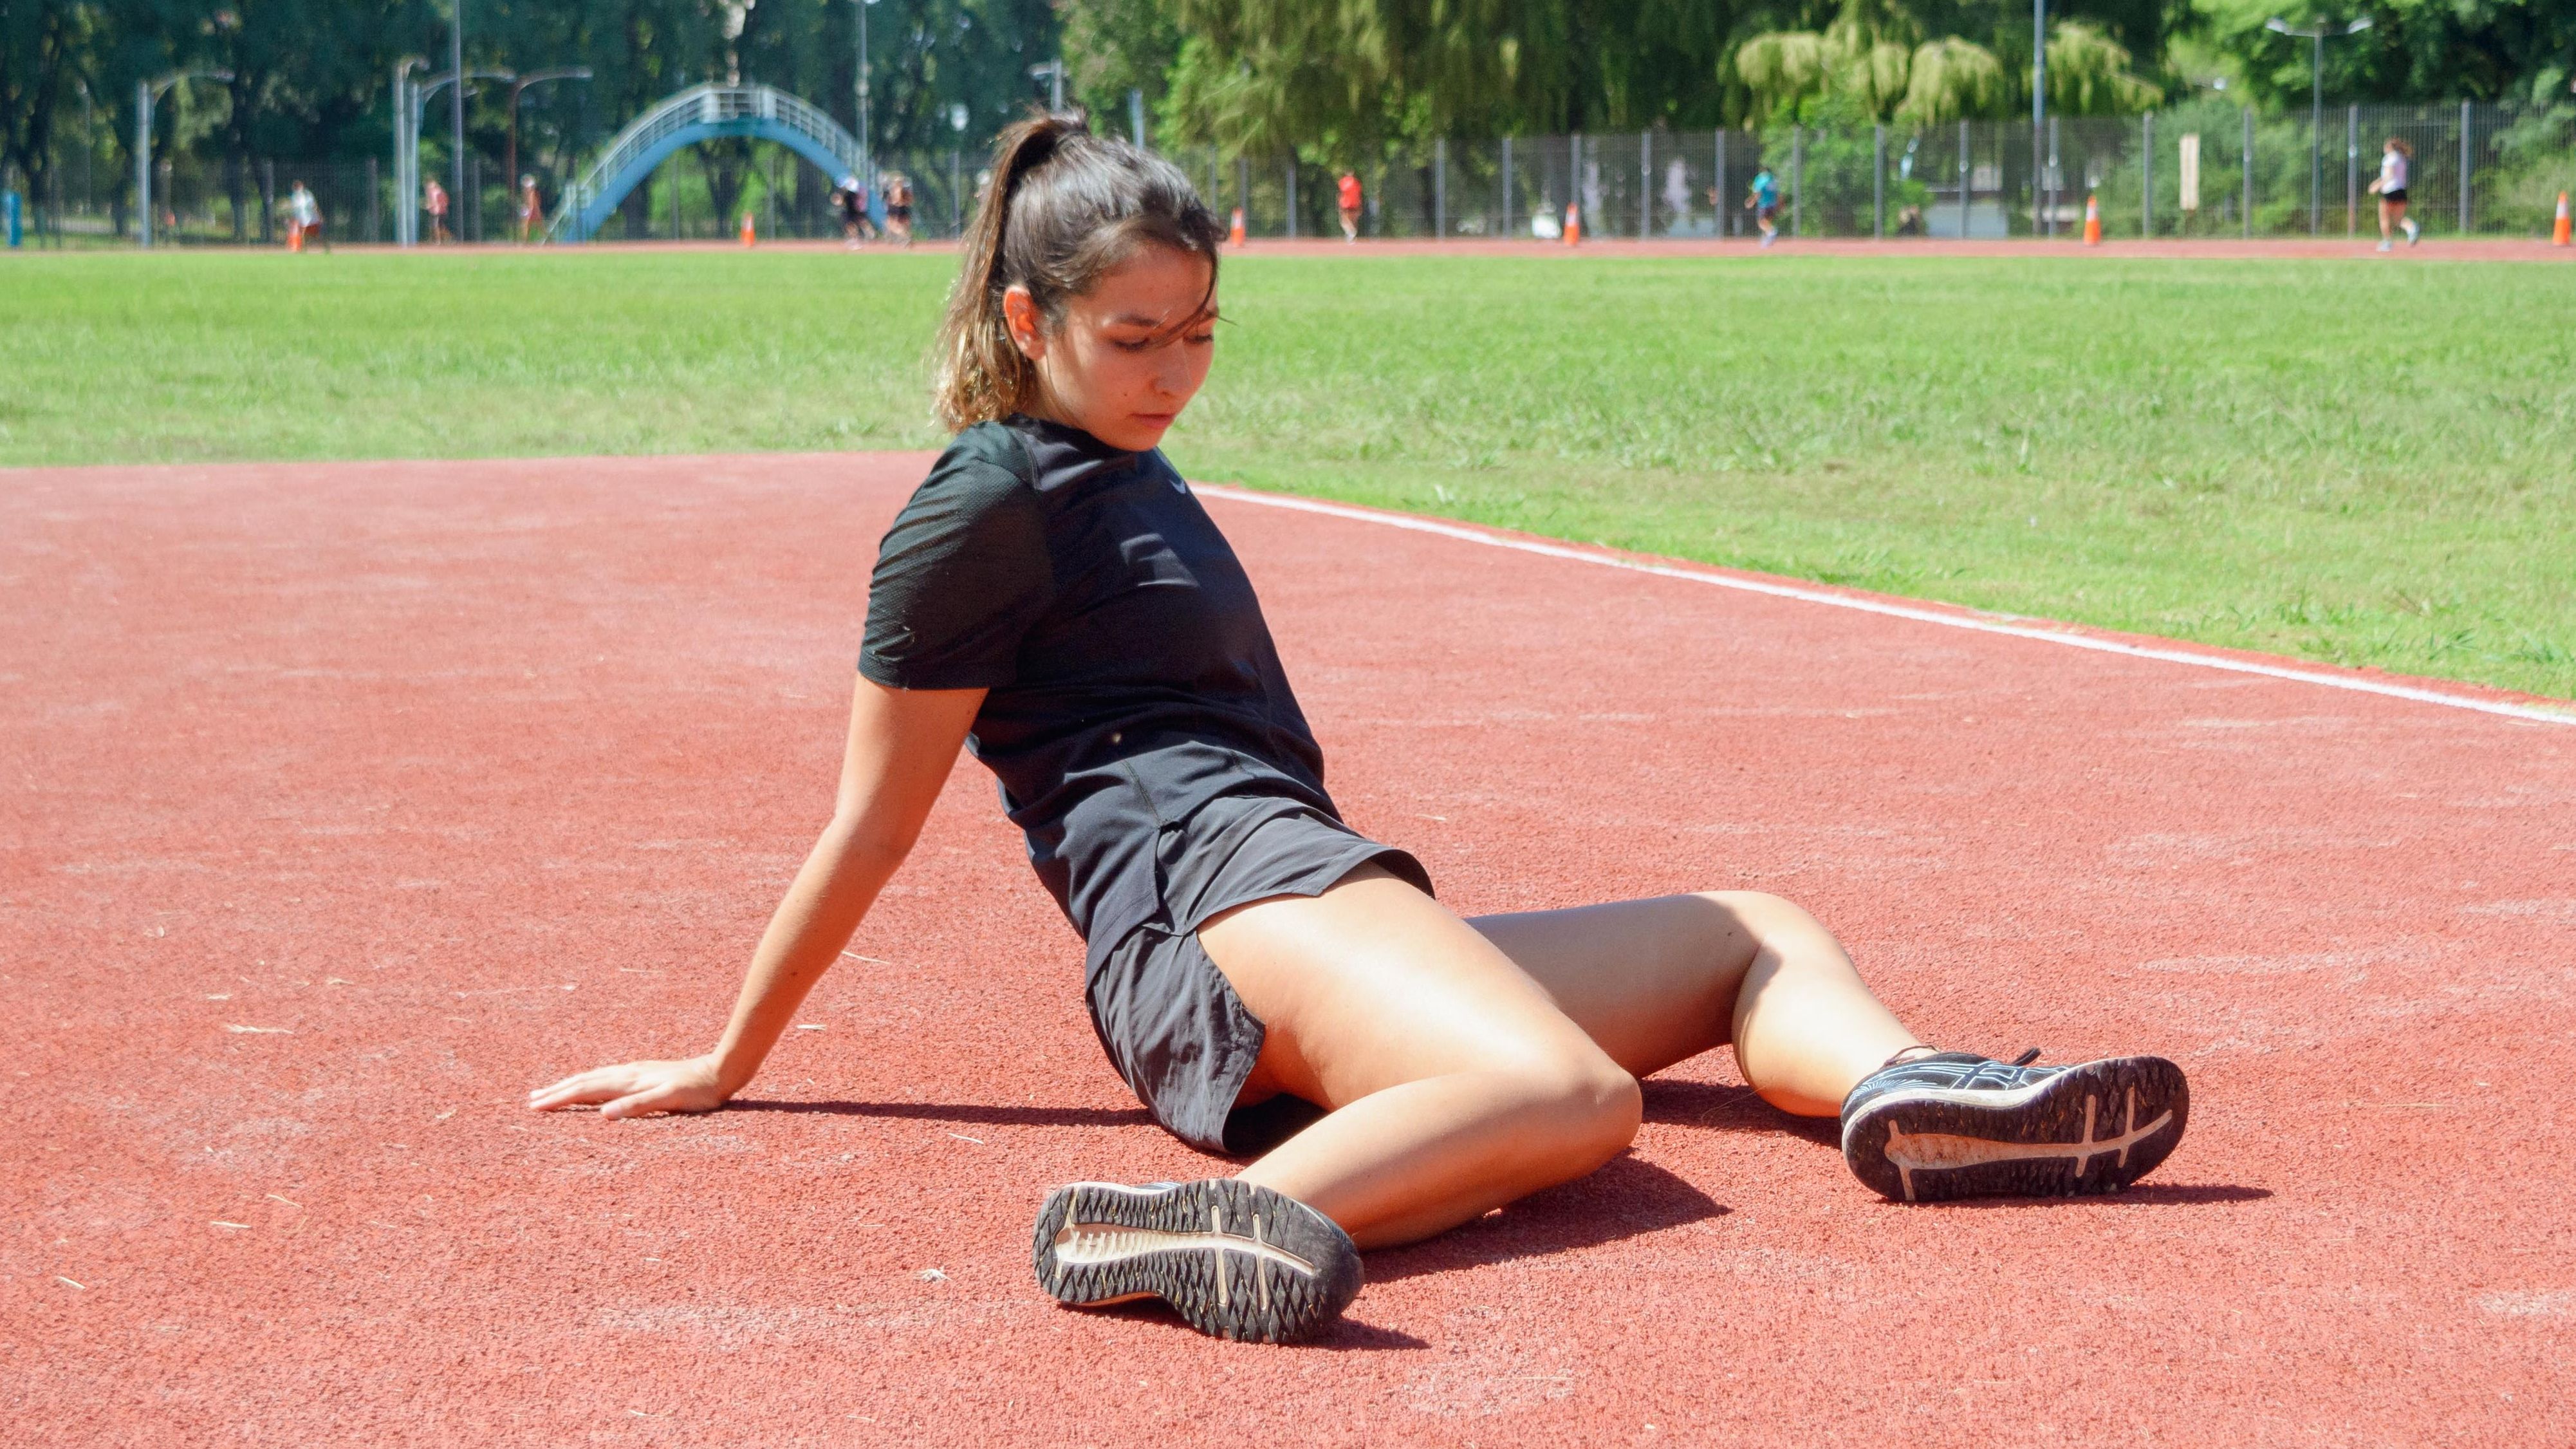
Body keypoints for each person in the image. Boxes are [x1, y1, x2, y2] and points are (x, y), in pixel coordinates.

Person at [529, 112, 2192, 1347]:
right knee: (1570, 1095)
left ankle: (1911, 1096)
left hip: (1301, 881)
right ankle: (1210, 1222)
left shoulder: (1126, 462)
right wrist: (728, 1061)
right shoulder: (980, 503)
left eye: (1199, 333)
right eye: (1132, 338)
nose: (1173, 371)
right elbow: (873, 820)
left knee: (1746, 930)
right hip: (1205, 909)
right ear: (1028, 322)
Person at [2368, 137, 2418, 252]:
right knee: (2398, 219)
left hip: (2389, 191)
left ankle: (2387, 242)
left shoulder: (2389, 158)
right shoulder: (2401, 158)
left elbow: (2388, 175)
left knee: (2384, 218)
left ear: (2390, 147)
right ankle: (2412, 227)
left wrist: (2377, 186)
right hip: (2401, 191)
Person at [833, 174, 873, 247]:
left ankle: (859, 238)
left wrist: (838, 201)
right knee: (851, 224)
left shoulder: (851, 192)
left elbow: (844, 201)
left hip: (854, 210)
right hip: (850, 210)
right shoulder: (847, 192)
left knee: (857, 223)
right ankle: (856, 239)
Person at [1747, 166, 1780, 248]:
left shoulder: (1761, 179)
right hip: (1773, 204)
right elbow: (1778, 193)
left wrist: (1752, 202)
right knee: (1767, 222)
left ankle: (1772, 231)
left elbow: (1758, 193)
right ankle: (1767, 241)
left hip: (1764, 204)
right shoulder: (1773, 179)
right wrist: (1779, 204)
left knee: (1761, 223)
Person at [284, 180, 319, 252]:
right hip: (301, 217)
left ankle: (304, 248)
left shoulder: (305, 195)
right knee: (302, 233)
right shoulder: (296, 195)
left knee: (312, 234)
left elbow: (312, 206)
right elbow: (295, 208)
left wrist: (317, 214)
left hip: (308, 217)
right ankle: (303, 248)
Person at [884, 173, 914, 247]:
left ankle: (906, 236)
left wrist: (893, 203)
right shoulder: (905, 190)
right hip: (903, 208)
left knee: (892, 226)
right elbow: (911, 200)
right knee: (902, 225)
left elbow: (897, 199)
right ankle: (903, 240)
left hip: (897, 208)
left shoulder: (897, 189)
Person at [423, 176, 450, 245]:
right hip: (440, 211)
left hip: (437, 211)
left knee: (435, 226)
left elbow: (435, 202)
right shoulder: (439, 191)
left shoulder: (433, 192)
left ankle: (438, 240)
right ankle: (444, 239)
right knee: (439, 226)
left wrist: (429, 206)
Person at [1337, 170, 1362, 242]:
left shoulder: (1343, 181)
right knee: (1354, 220)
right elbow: (1359, 193)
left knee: (1344, 219)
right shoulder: (1357, 182)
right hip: (1355, 203)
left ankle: (1351, 233)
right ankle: (1351, 234)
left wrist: (1339, 203)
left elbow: (1341, 192)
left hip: (1346, 203)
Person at [519, 174, 543, 245]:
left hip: (532, 210)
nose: (526, 189)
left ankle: (548, 239)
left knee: (540, 225)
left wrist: (532, 211)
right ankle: (525, 241)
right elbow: (525, 203)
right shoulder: (525, 193)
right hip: (527, 209)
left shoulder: (532, 194)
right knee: (525, 225)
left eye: (528, 187)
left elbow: (532, 204)